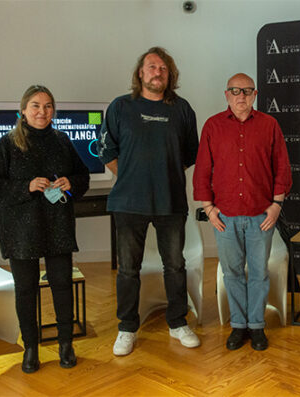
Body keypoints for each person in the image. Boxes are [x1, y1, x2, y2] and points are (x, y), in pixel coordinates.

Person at [0, 85, 90, 373]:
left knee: (62, 286)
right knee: (26, 290)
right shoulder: (7, 144)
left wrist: (72, 183)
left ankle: (66, 344)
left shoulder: (63, 141)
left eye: (48, 106)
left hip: (58, 227)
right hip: (20, 231)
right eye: (36, 106)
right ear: (23, 111)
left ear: (53, 111)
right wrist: (25, 186)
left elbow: (82, 177)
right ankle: (30, 348)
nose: (42, 111)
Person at [98, 47, 200, 355]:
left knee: (175, 265)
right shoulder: (120, 107)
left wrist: (163, 175)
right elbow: (107, 152)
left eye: (164, 68)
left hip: (171, 202)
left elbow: (189, 155)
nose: (158, 72)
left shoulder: (182, 109)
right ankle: (127, 328)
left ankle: (178, 323)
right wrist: (131, 175)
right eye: (152, 67)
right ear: (140, 73)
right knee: (128, 269)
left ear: (170, 76)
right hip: (128, 203)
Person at [193, 73, 292, 351]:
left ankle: (257, 326)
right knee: (232, 272)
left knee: (259, 273)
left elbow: (282, 167)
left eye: (247, 91)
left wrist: (276, 205)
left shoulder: (270, 125)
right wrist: (209, 209)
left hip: (262, 215)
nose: (241, 96)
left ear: (255, 94)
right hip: (224, 217)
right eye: (235, 91)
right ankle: (238, 325)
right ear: (227, 94)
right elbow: (202, 169)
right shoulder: (212, 126)